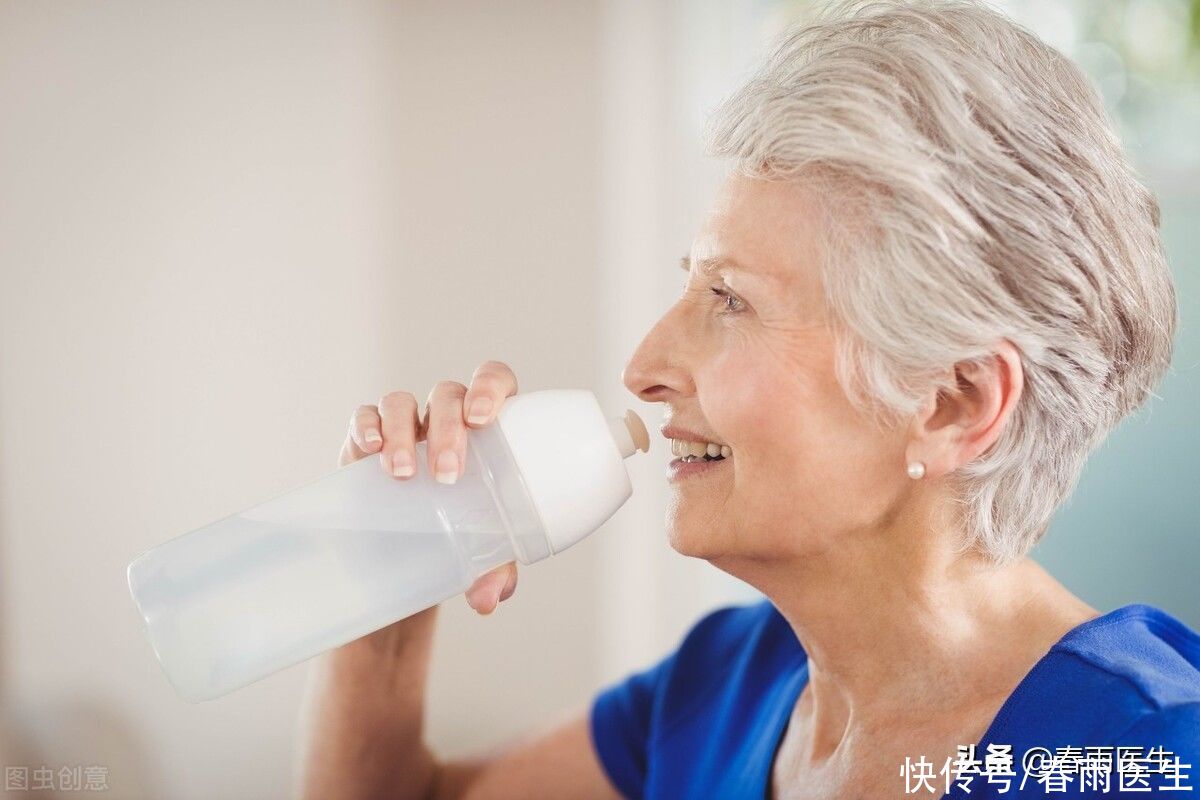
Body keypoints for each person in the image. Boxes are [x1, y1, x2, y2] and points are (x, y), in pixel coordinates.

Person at [294, 1, 1199, 797]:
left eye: (731, 300)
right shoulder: (725, 683)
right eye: (692, 286)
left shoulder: (1150, 755)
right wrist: (392, 580)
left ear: (956, 403)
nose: (643, 365)